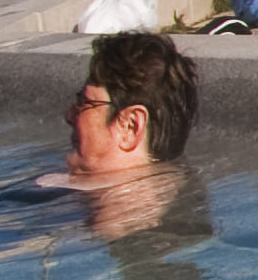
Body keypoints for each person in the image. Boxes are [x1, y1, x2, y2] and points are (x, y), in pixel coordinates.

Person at [52, 31, 196, 189]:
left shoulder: (120, 211)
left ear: (130, 126)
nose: (69, 116)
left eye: (84, 102)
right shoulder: (173, 196)